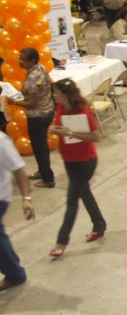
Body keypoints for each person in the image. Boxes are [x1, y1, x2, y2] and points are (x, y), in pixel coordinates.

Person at [47, 79, 107, 257]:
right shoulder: (59, 108)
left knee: (72, 199)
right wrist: (55, 129)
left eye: (56, 92)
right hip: (69, 159)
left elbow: (95, 136)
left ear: (64, 95)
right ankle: (99, 225)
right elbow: (59, 125)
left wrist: (70, 133)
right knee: (84, 192)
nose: (53, 95)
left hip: (85, 161)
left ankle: (62, 240)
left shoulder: (82, 111)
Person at [5, 48, 55, 189]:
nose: (19, 61)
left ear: (32, 61)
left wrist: (15, 102)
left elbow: (32, 103)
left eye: (22, 59)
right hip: (47, 111)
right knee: (42, 145)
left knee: (39, 148)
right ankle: (42, 170)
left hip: (38, 116)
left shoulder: (33, 78)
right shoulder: (40, 68)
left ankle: (48, 179)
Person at [0, 129, 35, 291]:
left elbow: (19, 169)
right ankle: (15, 273)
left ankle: (15, 274)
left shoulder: (1, 140)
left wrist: (26, 199)